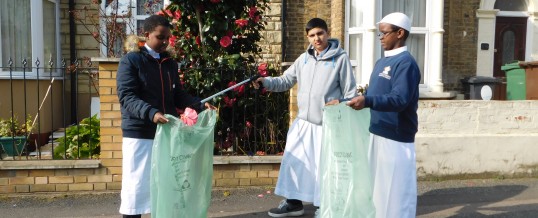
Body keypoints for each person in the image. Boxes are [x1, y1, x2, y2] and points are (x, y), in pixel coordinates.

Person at [253, 18, 357, 217]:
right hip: (303, 123)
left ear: (327, 33)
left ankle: (325, 206)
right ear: (307, 37)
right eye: (312, 35)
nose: (316, 38)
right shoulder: (303, 59)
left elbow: (350, 93)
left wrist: (340, 102)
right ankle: (294, 203)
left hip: (326, 125)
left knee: (323, 168)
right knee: (295, 163)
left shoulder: (340, 59)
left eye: (320, 33)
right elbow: (285, 80)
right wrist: (265, 81)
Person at [116, 15, 214, 218]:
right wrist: (151, 113)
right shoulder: (131, 60)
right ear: (147, 34)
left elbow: (177, 94)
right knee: (136, 187)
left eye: (168, 38)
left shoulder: (169, 64)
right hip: (140, 132)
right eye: (160, 37)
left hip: (166, 133)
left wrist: (199, 105)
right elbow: (127, 96)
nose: (165, 42)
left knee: (164, 185)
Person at [343, 12, 420, 218]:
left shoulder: (406, 64)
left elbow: (400, 100)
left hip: (396, 139)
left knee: (396, 197)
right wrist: (342, 103)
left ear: (400, 33)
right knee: (378, 195)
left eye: (384, 33)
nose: (381, 38)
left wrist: (367, 101)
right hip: (377, 133)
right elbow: (371, 95)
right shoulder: (380, 63)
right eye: (380, 34)